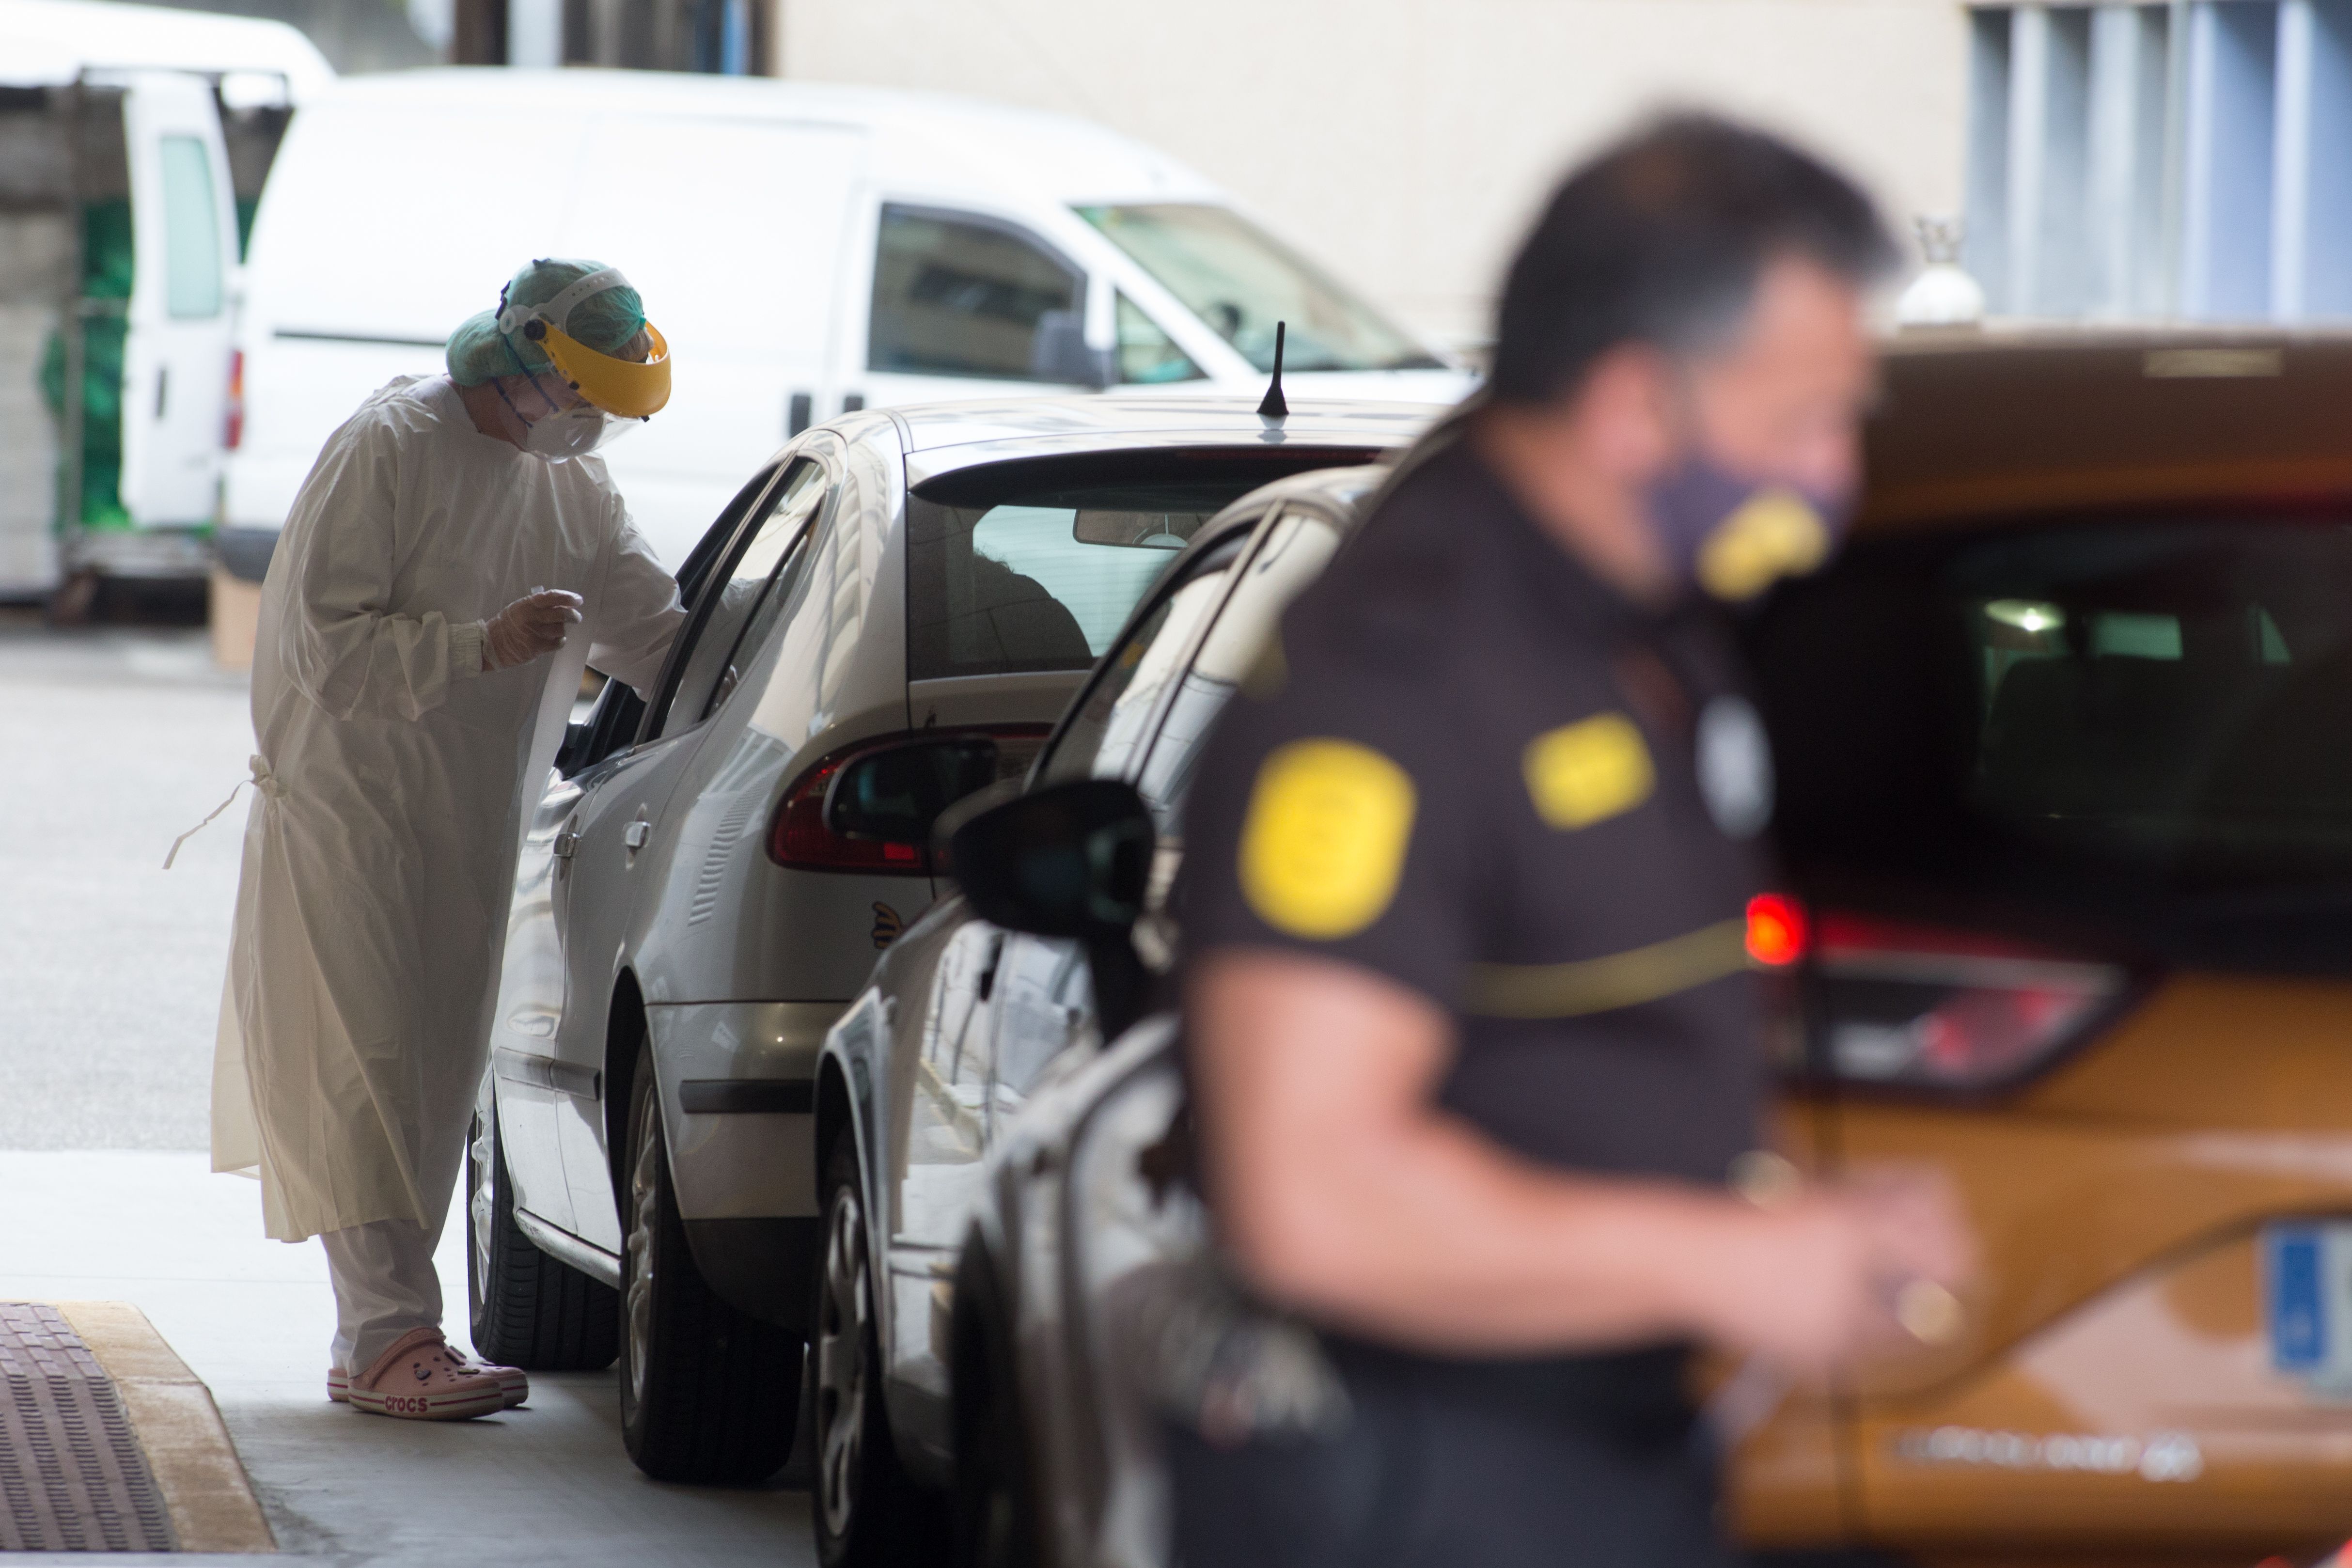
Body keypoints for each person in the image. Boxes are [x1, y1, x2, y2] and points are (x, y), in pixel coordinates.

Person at [1168, 117, 1976, 1563]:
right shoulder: (1399, 683)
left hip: (1589, 1455)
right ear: (1630, 405)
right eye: (1797, 419)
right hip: (1415, 1484)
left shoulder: (1638, 631)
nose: (1835, 474)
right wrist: (1730, 1262)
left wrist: (1786, 1222)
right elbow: (1311, 1194)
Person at [204, 259, 686, 1421]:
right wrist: (484, 643)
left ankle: (387, 1336)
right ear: (523, 363)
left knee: (430, 1077)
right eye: (584, 404)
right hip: (352, 812)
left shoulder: (569, 492)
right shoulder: (393, 443)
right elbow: (324, 647)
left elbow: (653, 631)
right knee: (366, 1061)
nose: (590, 431)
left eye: (608, 418)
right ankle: (386, 1336)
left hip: (467, 817)